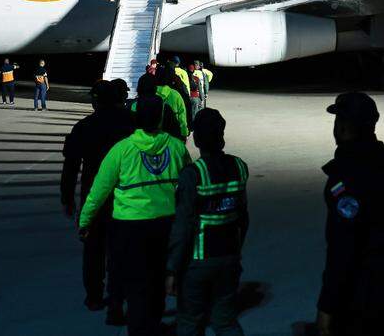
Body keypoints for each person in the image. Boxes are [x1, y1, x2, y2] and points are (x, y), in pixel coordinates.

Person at [79, 96, 190, 333]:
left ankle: (139, 327)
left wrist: (85, 220)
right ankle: (153, 321)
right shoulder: (177, 148)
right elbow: (188, 187)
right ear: (161, 117)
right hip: (165, 224)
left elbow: (98, 191)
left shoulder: (121, 150)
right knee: (159, 278)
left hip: (129, 227)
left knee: (135, 282)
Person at [317, 92, 384, 336]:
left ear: (344, 127)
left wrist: (327, 307)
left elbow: (343, 249)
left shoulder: (347, 175)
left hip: (362, 295)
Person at [167, 108, 249, 336]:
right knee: (226, 322)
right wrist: (236, 251)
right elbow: (244, 217)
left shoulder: (193, 174)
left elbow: (182, 227)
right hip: (229, 257)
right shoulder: (240, 167)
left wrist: (172, 269)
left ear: (197, 138)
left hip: (199, 260)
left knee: (190, 322)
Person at [62, 81, 137, 313]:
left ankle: (94, 296)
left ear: (95, 101)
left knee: (93, 250)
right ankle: (117, 299)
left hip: (94, 199)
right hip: (126, 198)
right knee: (121, 251)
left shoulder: (84, 126)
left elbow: (71, 166)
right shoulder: (133, 123)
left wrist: (67, 198)